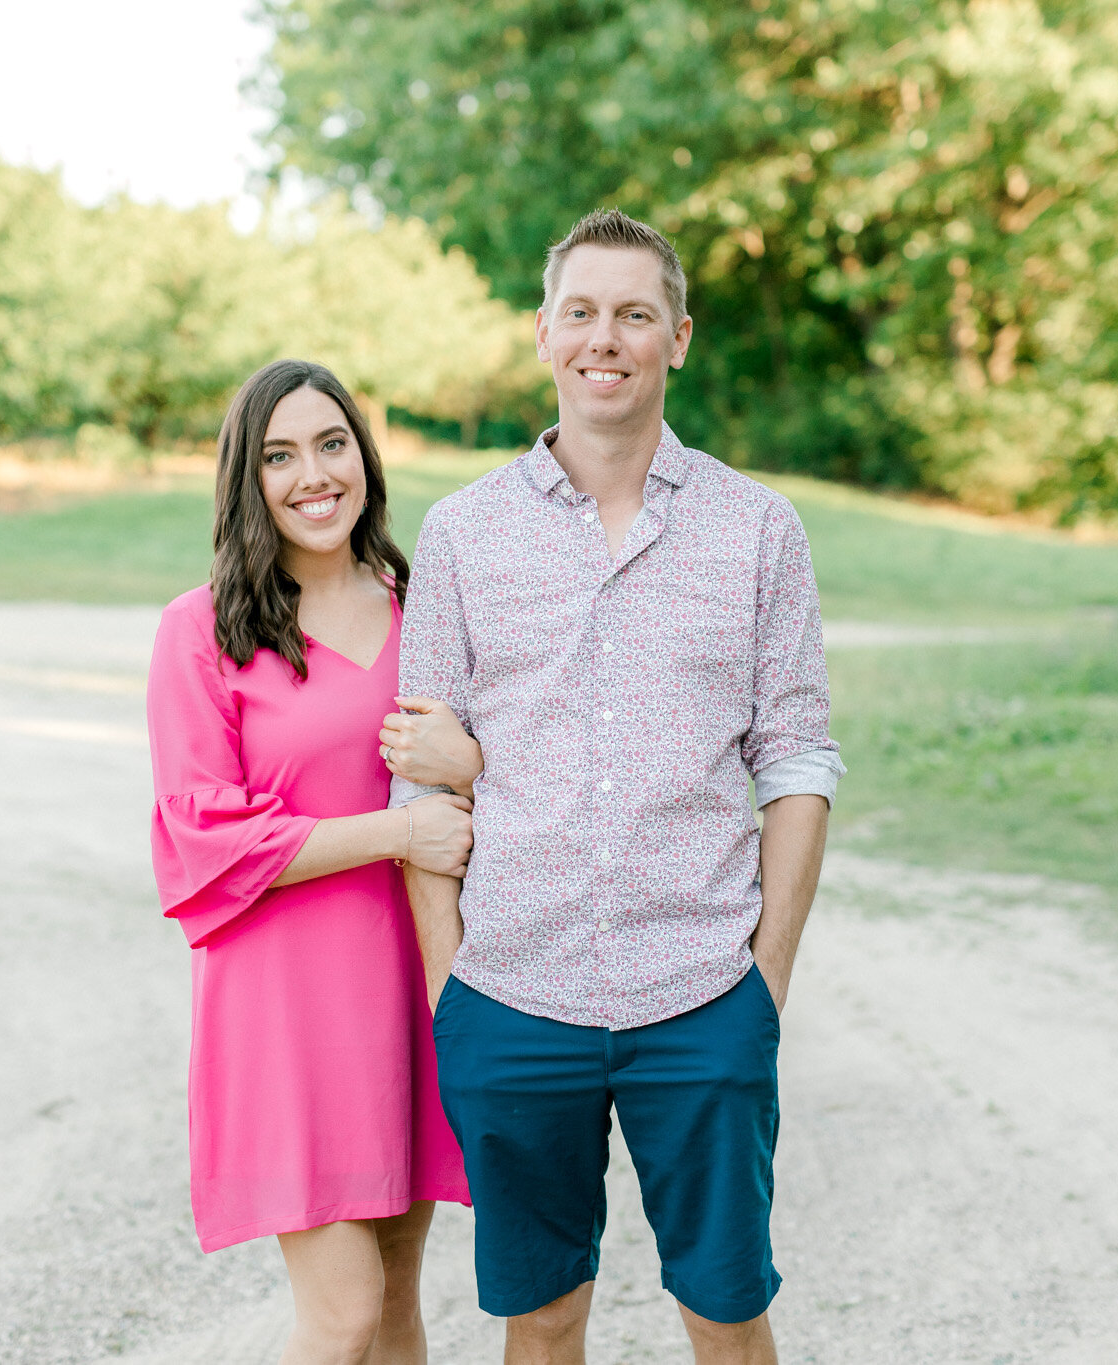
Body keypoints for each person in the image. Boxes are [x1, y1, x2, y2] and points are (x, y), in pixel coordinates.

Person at [388, 209, 843, 1365]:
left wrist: (766, 982)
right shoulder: (460, 535)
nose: (607, 337)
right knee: (539, 1320)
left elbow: (794, 763)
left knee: (727, 1311)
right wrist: (453, 989)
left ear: (676, 337)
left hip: (700, 997)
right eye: (581, 312)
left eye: (634, 314)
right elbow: (418, 778)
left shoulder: (757, 530)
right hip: (511, 994)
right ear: (542, 335)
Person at [145, 358, 483, 1365]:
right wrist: (391, 834)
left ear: (364, 459)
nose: (311, 476)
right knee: (336, 1317)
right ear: (245, 480)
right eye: (278, 456)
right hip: (286, 1009)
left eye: (330, 445)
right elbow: (200, 841)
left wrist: (467, 764)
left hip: (413, 988)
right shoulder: (200, 632)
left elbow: (497, 778)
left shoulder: (426, 605)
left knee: (392, 1313)